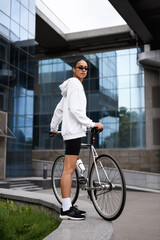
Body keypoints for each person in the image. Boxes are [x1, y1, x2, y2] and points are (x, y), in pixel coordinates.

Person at [50, 59, 104, 220]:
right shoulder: (74, 84)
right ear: (73, 69)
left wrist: (53, 128)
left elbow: (59, 110)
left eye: (86, 68)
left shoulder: (70, 88)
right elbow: (74, 110)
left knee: (71, 166)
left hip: (73, 131)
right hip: (73, 132)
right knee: (68, 169)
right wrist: (92, 123)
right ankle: (66, 209)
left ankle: (68, 205)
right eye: (80, 67)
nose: (84, 70)